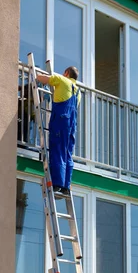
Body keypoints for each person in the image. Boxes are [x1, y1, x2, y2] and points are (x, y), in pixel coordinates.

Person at [36, 66, 81, 195]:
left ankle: (57, 183)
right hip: (71, 125)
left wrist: (37, 74)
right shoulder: (78, 92)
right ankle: (66, 186)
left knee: (57, 150)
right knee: (67, 153)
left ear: (66, 73)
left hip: (61, 121)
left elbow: (42, 79)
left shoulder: (62, 80)